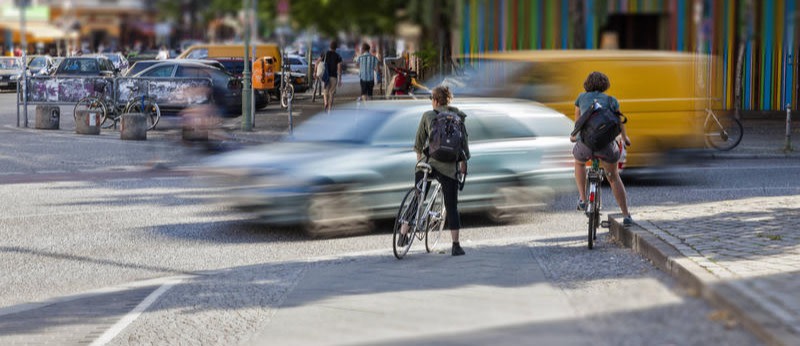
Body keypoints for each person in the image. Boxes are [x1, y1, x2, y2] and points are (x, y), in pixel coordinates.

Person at [400, 86, 470, 256]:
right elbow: (463, 146)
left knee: (418, 196)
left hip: (428, 164)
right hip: (448, 168)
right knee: (451, 205)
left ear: (436, 101)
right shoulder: (459, 117)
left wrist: (421, 163)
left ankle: (403, 233)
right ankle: (456, 245)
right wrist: (463, 165)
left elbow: (418, 144)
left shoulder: (428, 116)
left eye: (432, 99)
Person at [570, 71, 633, 226]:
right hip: (606, 148)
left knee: (579, 162)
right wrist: (625, 139)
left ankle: (583, 199)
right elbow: (619, 123)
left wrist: (574, 137)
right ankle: (626, 215)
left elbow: (578, 122)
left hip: (586, 145)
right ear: (605, 85)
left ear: (587, 84)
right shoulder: (612, 101)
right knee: (614, 177)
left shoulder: (581, 98)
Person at [322, 41, 342, 112]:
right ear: (336, 48)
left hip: (326, 76)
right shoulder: (338, 56)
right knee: (331, 93)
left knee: (325, 91)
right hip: (334, 77)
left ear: (330, 46)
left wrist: (315, 72)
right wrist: (340, 79)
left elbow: (318, 62)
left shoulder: (325, 54)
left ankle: (325, 103)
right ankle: (330, 108)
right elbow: (339, 68)